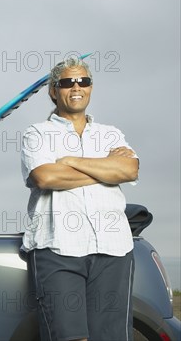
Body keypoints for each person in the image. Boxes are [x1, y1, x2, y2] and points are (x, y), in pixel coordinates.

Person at [20, 57, 139, 341]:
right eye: (67, 82)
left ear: (90, 88)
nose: (76, 87)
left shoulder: (111, 134)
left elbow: (129, 168)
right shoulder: (37, 134)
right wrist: (106, 169)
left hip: (114, 249)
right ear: (53, 91)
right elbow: (46, 178)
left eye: (83, 81)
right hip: (58, 248)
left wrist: (71, 161)